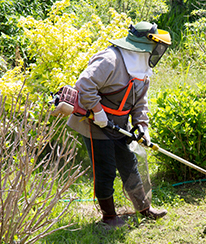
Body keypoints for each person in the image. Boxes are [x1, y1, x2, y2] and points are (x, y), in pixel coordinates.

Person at [67, 21, 171, 227]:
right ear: (144, 44)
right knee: (105, 170)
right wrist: (97, 111)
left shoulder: (142, 67)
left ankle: (144, 208)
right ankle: (109, 218)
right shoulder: (110, 59)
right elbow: (84, 85)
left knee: (130, 164)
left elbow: (140, 101)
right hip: (95, 122)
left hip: (120, 124)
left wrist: (142, 125)